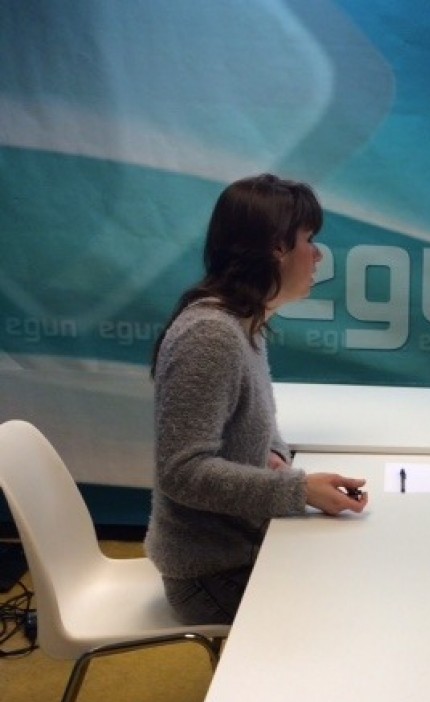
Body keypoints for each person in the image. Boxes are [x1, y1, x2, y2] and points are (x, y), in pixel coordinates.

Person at [145, 173, 368, 625]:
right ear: (277, 247)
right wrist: (298, 489)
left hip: (241, 550)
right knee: (353, 608)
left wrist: (274, 458)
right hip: (212, 575)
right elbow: (182, 472)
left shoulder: (243, 322)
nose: (318, 255)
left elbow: (255, 428)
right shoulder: (211, 335)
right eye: (309, 239)